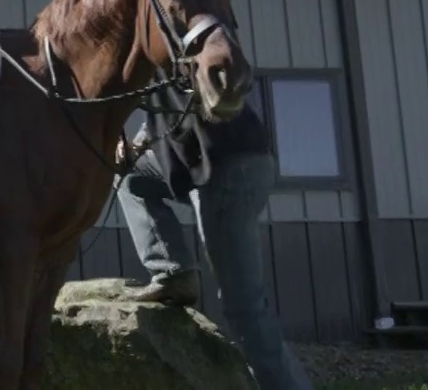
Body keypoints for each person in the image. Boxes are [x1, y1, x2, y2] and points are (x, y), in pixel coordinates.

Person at [115, 89, 313, 390]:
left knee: (243, 305)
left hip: (231, 168)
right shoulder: (155, 58)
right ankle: (173, 274)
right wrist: (139, 142)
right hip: (197, 166)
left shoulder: (194, 46)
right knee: (133, 175)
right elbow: (160, 105)